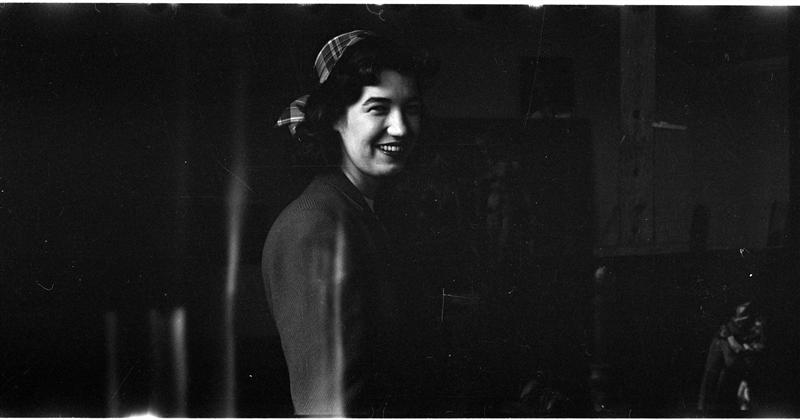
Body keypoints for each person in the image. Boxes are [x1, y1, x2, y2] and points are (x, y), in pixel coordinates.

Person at [262, 30, 437, 416]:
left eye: (411, 108)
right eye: (378, 108)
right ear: (335, 118)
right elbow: (326, 408)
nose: (401, 127)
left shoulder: (360, 211)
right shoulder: (315, 227)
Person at [697, 301, 766, 415]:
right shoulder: (727, 321)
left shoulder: (757, 322)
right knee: (713, 377)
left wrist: (736, 341)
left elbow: (746, 348)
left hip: (743, 354)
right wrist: (729, 336)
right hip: (727, 343)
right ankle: (705, 411)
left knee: (734, 382)